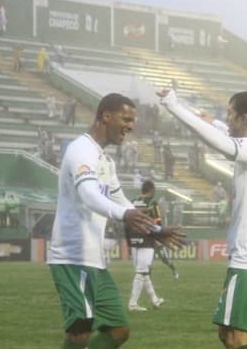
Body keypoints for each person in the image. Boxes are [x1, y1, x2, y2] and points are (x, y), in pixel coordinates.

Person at [47, 93, 184, 349]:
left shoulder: (105, 161)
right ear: (106, 116)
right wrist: (125, 215)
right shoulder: (81, 149)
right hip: (72, 257)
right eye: (126, 118)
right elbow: (88, 194)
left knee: (119, 330)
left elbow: (122, 201)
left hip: (94, 261)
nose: (131, 126)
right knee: (80, 334)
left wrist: (155, 230)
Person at [158, 88, 247, 349]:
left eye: (230, 114)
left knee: (237, 338)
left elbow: (220, 142)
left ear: (244, 118)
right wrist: (206, 118)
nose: (227, 118)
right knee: (226, 334)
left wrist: (174, 107)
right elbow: (224, 132)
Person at [125, 180, 166, 311]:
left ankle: (155, 300)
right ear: (151, 190)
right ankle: (132, 303)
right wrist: (160, 238)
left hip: (133, 239)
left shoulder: (132, 202)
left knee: (144, 272)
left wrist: (128, 242)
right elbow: (158, 223)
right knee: (142, 272)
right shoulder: (152, 203)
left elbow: (126, 221)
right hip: (147, 240)